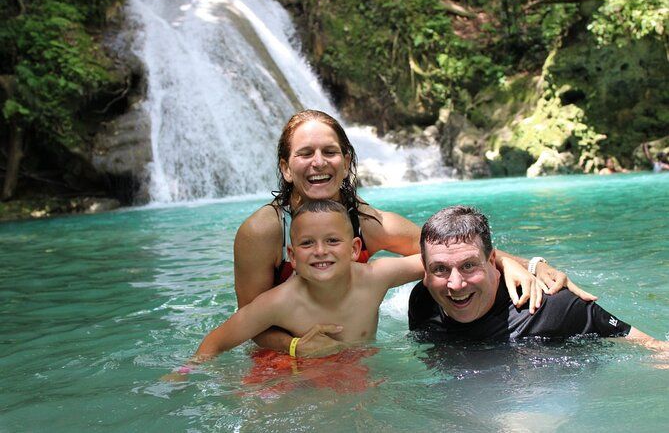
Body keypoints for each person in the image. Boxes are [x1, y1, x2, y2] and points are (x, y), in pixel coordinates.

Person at [235, 109, 593, 357]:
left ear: (346, 163)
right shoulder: (263, 231)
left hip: (354, 357)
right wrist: (297, 349)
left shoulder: (366, 223)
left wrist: (524, 264)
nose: (318, 163)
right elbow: (250, 325)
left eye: (330, 152)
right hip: (283, 363)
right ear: (285, 167)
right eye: (305, 154)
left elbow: (448, 248)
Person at [193, 200, 424, 363]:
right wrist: (183, 374)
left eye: (332, 240)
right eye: (307, 243)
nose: (320, 251)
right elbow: (214, 343)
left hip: (363, 375)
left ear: (355, 249)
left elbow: (432, 260)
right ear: (292, 256)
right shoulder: (279, 302)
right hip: (306, 382)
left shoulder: (376, 277)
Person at [409, 205, 667, 351]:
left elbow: (647, 345)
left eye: (468, 266)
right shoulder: (424, 299)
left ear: (492, 261)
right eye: (440, 269)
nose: (455, 284)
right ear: (425, 268)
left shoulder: (554, 306)